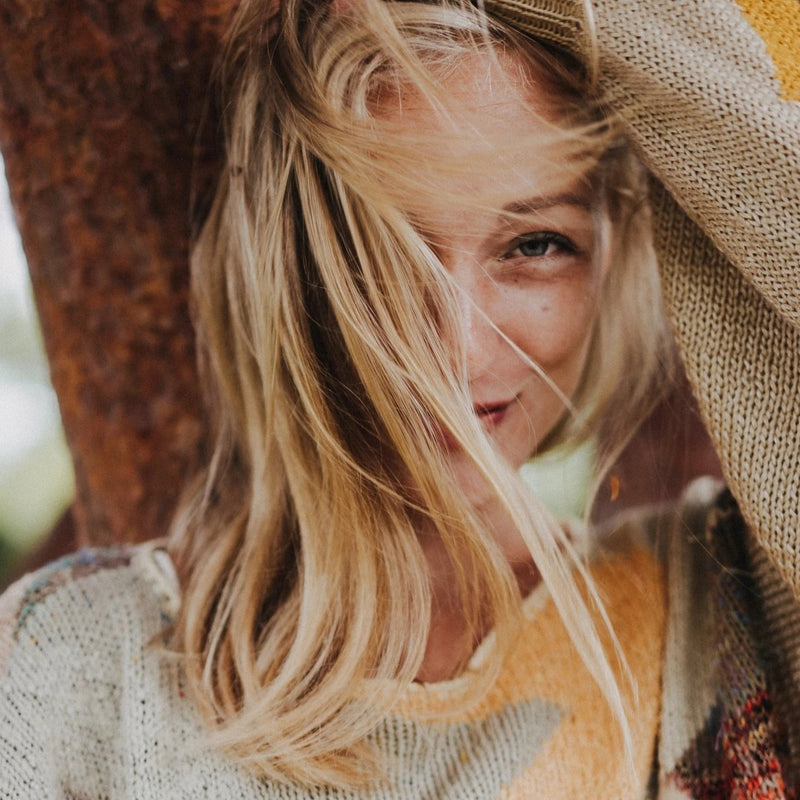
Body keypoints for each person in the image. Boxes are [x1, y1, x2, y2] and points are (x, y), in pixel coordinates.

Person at [1, 1, 798, 798]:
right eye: (381, 250)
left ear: (607, 262)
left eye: (535, 245)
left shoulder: (718, 608)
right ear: (286, 264)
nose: (455, 346)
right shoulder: (71, 667)